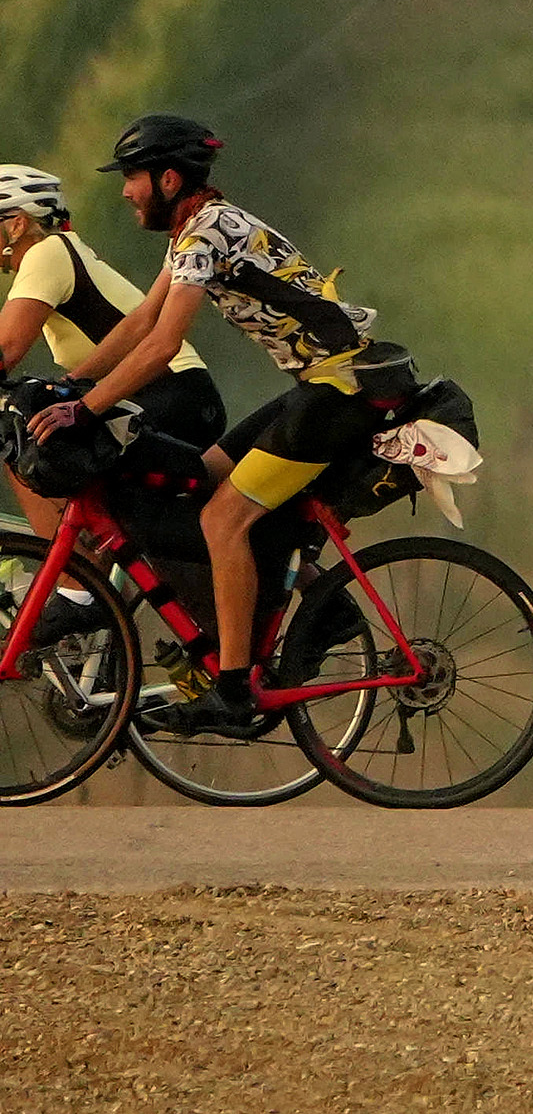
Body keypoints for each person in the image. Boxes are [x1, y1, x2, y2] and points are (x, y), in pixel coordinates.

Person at [42, 115, 417, 738]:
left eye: (132, 177)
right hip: (326, 384)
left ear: (167, 178)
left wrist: (84, 408)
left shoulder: (206, 233)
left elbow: (163, 345)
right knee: (207, 478)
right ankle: (309, 611)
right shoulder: (199, 227)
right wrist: (72, 383)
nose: (125, 191)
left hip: (345, 388)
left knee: (223, 518)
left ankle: (234, 686)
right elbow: (138, 324)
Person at [0, 159, 224, 629]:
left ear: (17, 223)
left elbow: (6, 347)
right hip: (165, 392)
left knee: (27, 443)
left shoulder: (47, 252)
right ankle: (83, 583)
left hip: (168, 391)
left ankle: (76, 589)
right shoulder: (61, 251)